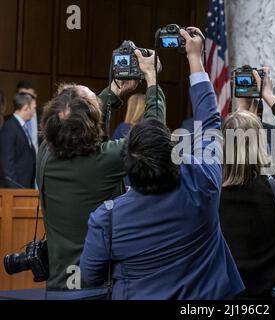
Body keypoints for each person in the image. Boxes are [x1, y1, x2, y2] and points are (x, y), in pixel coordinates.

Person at [80, 27, 244, 300]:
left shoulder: (106, 219)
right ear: (175, 155)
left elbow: (91, 277)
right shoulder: (204, 183)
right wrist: (194, 59)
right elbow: (210, 125)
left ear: (126, 169)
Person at [37, 48, 166, 300]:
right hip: (96, 289)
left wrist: (115, 91)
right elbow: (153, 134)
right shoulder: (105, 159)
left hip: (56, 289)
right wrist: (152, 78)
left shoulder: (45, 151)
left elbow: (73, 120)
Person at [219, 67, 275, 299]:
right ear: (260, 141)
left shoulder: (212, 188)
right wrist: (268, 95)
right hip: (271, 295)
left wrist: (241, 111)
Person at [0, 93, 37, 189]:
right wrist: (15, 189)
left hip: (25, 185)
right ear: (26, 108)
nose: (34, 112)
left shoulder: (21, 126)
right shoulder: (10, 127)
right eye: (33, 108)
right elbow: (7, 162)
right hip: (16, 188)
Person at [17, 80, 40, 152]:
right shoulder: (8, 122)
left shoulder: (45, 118)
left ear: (35, 96)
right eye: (22, 96)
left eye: (29, 97)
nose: (26, 100)